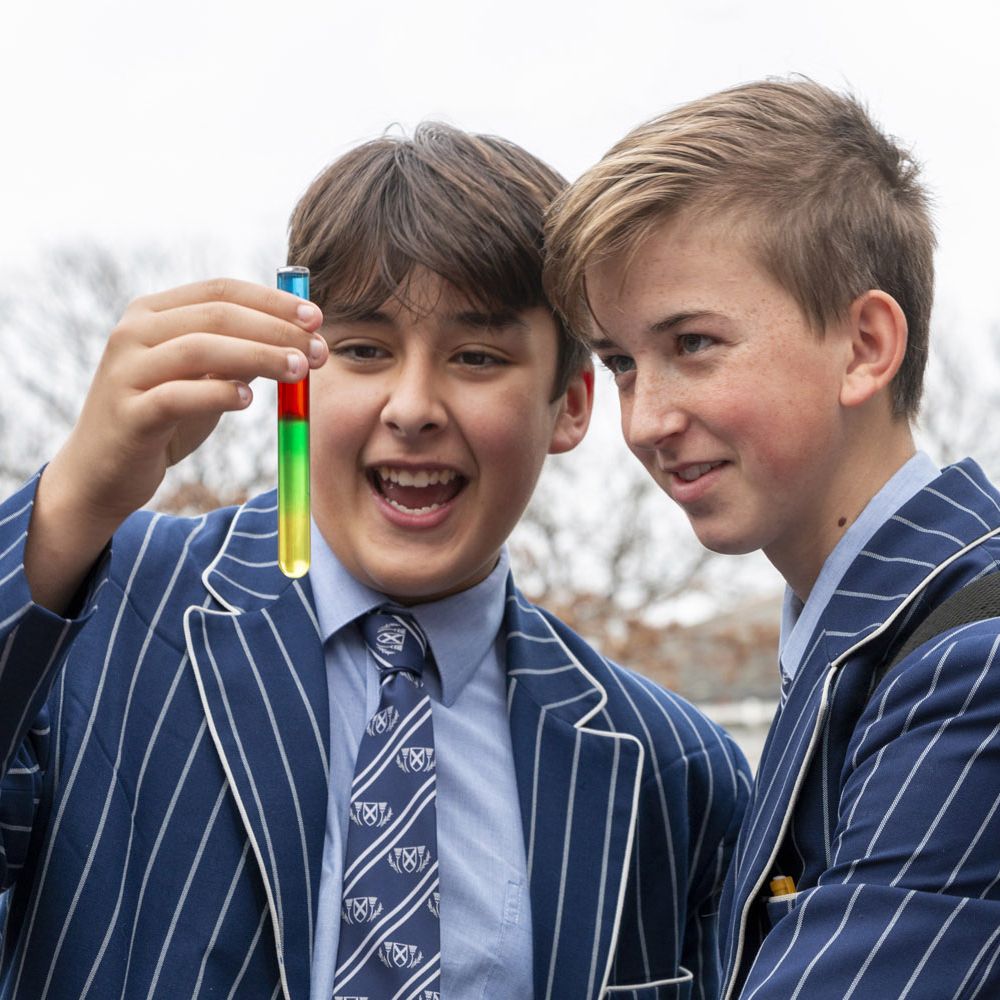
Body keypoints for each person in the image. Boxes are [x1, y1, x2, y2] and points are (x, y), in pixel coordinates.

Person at [0, 124, 750, 1000]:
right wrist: (69, 507)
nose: (414, 405)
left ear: (571, 405)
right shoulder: (102, 604)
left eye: (478, 356)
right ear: (293, 379)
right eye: (361, 350)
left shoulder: (674, 773)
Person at [543, 78, 1000, 999]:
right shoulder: (867, 638)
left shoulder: (972, 666)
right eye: (622, 363)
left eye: (695, 344)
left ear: (867, 346)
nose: (644, 420)